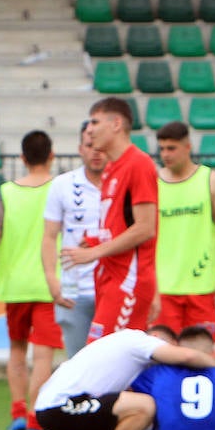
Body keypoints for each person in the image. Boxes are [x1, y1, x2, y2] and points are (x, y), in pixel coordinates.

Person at [34, 328, 215, 430]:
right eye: (171, 347)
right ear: (156, 338)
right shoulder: (140, 341)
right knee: (144, 407)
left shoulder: (127, 355)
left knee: (124, 414)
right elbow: (188, 356)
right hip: (60, 406)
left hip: (54, 406)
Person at [0, 130, 60, 430]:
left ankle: (18, 413)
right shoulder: (59, 188)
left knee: (17, 352)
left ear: (22, 158)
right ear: (52, 155)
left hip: (14, 284)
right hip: (48, 284)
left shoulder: (7, 191)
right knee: (43, 357)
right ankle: (35, 420)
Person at [61, 97, 159, 343]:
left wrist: (94, 253)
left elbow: (146, 228)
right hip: (109, 279)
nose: (90, 129)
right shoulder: (112, 168)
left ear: (116, 124)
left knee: (105, 362)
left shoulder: (139, 164)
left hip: (128, 282)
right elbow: (119, 226)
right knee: (115, 368)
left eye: (95, 121)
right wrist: (93, 240)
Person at [151, 122, 215, 337]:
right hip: (163, 288)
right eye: (161, 149)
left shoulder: (212, 182)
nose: (166, 154)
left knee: (201, 354)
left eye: (171, 148)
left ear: (187, 147)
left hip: (202, 286)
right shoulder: (152, 183)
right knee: (164, 356)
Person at [41, 122, 106, 355]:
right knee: (78, 366)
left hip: (113, 289)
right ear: (80, 148)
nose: (96, 151)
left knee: (114, 367)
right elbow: (49, 236)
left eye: (100, 146)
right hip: (74, 292)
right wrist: (51, 279)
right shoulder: (62, 185)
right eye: (90, 145)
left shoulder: (123, 183)